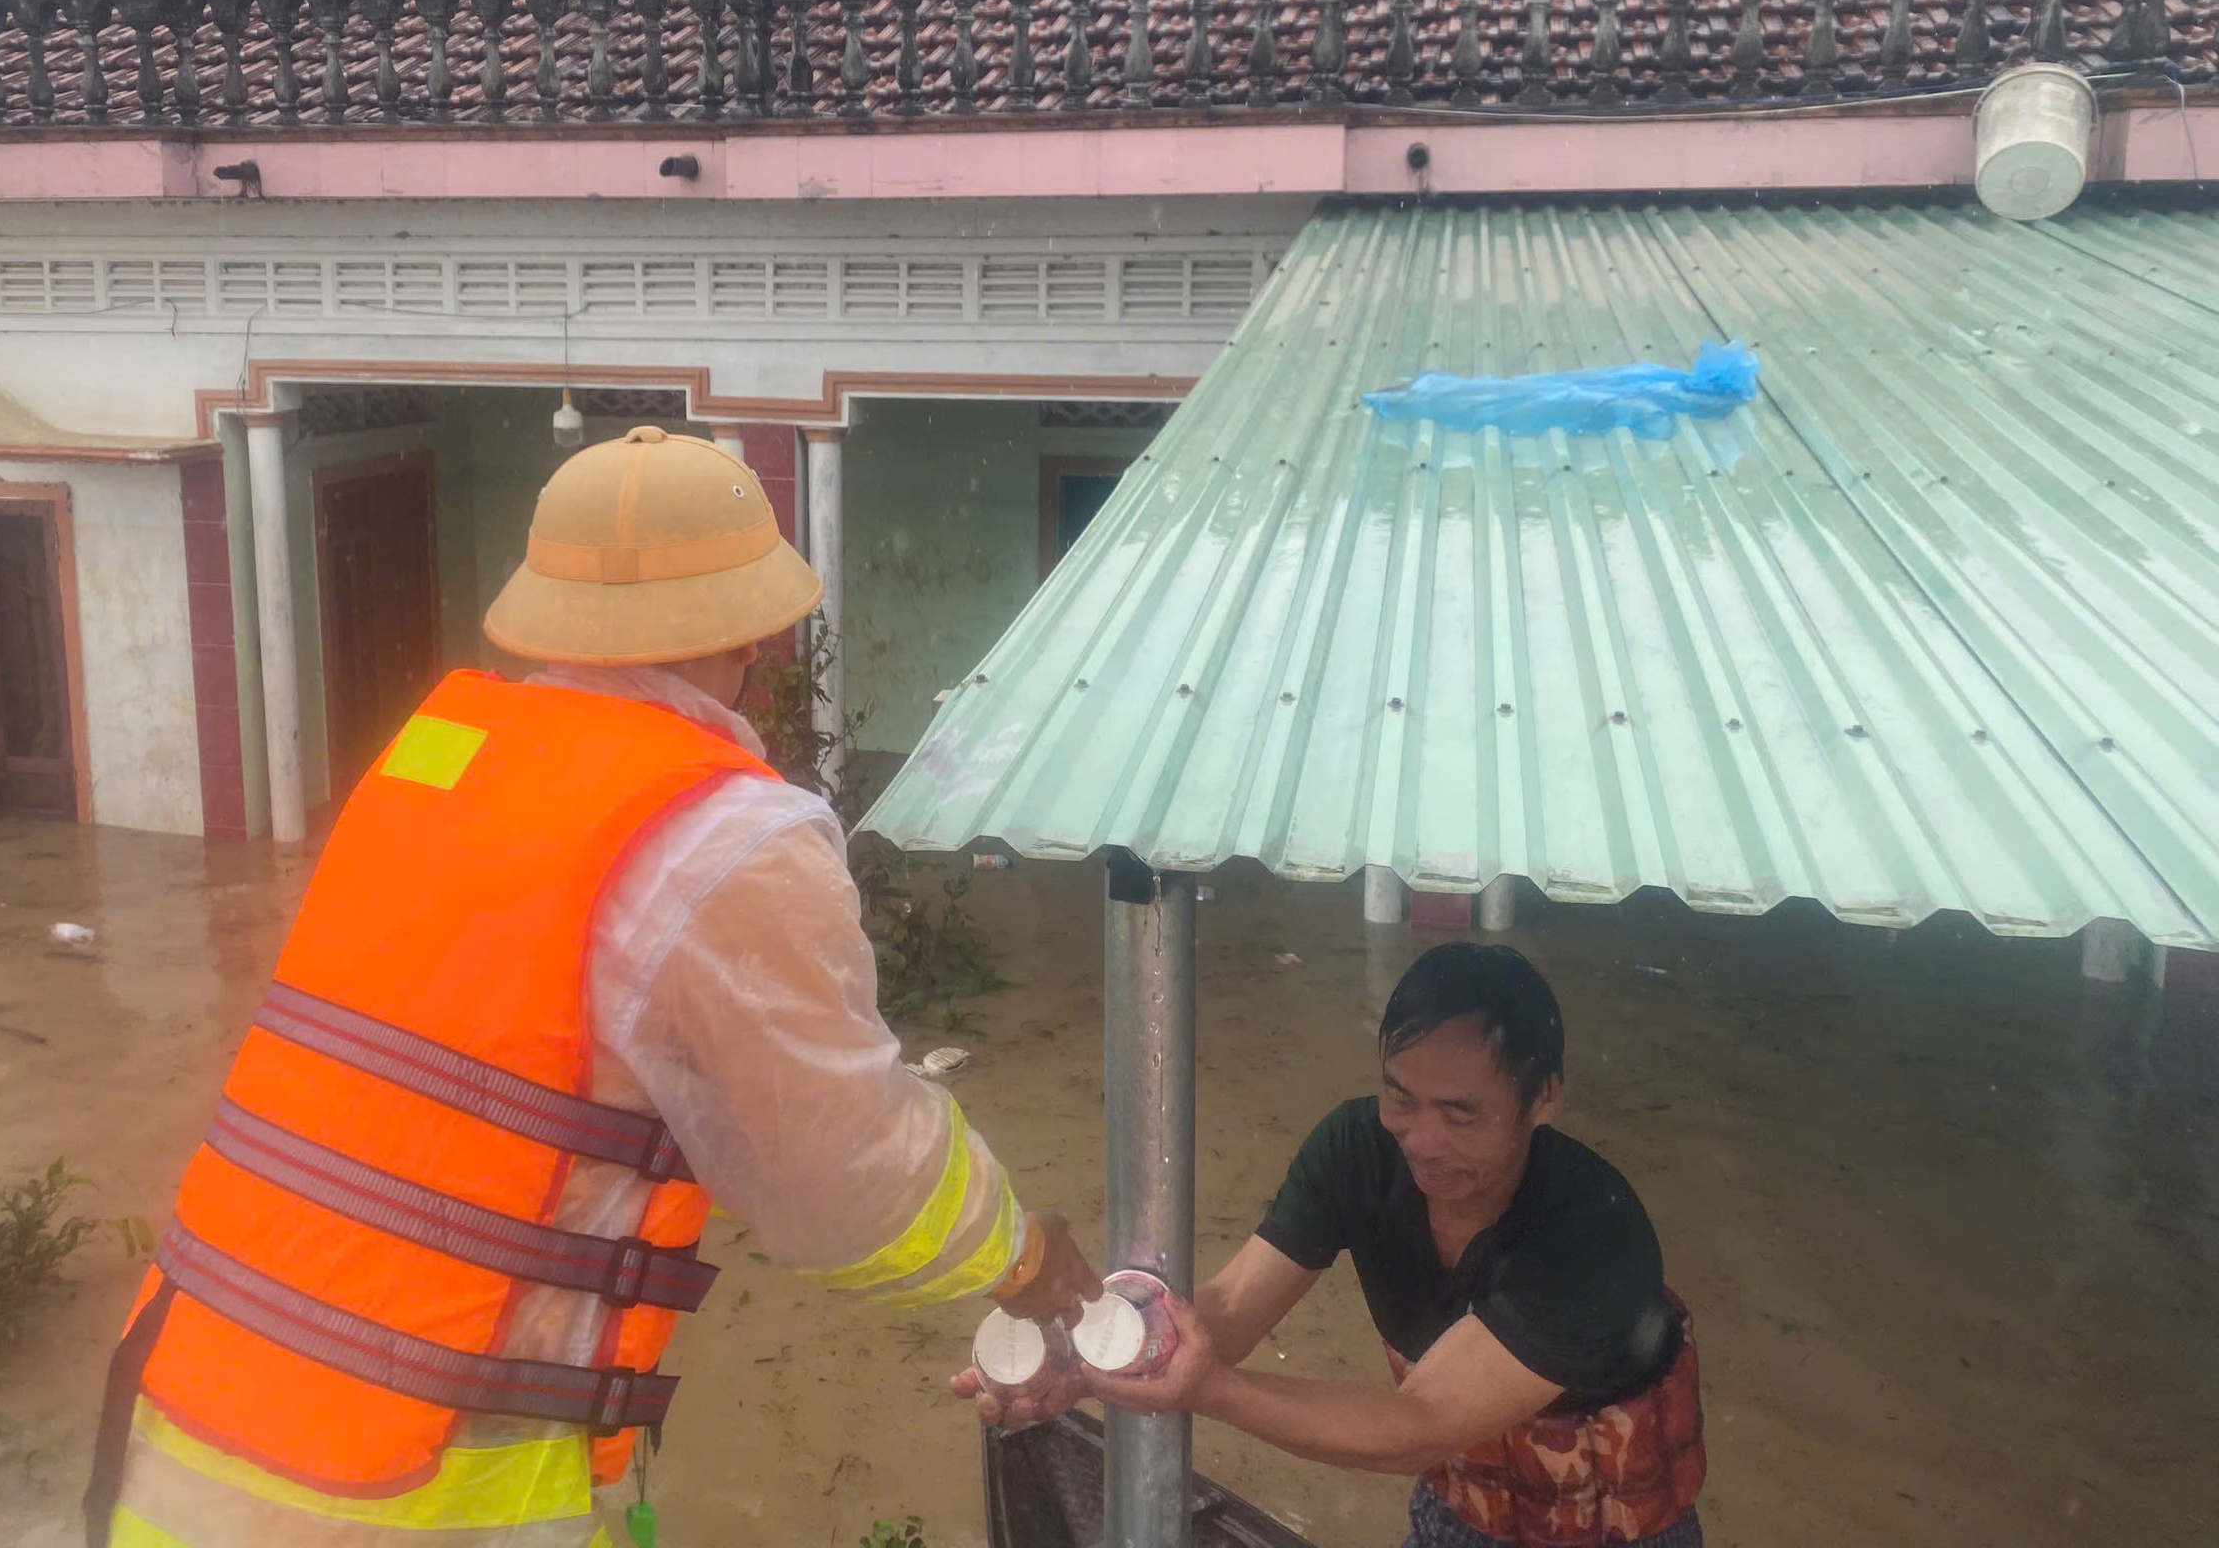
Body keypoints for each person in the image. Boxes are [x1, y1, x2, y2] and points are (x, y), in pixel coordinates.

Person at [89, 425, 1099, 1548]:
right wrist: (1022, 1256)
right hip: (409, 1488)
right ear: (752, 635)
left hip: (182, 1407)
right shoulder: (724, 837)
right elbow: (841, 1171)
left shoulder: (438, 761)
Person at [960, 941, 1704, 1548]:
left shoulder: (1593, 1235)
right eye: (1401, 1097)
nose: (1423, 1141)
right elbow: (1229, 1311)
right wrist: (1081, 1356)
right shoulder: (1357, 1151)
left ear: (1545, 1098)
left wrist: (1211, 1390)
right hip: (1459, 1512)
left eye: (1461, 1116)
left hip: (1618, 1530)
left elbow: (1422, 1427)